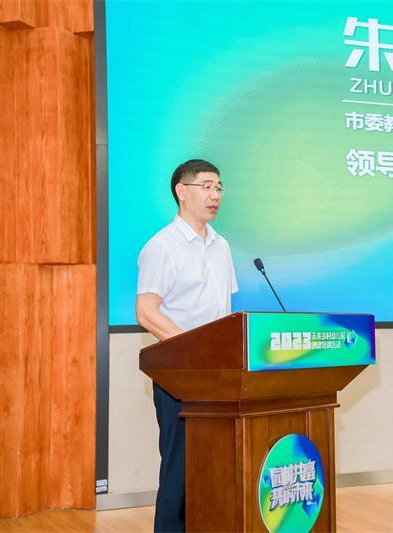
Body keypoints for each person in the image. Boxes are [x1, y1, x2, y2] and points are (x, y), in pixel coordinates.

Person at [136, 159, 238, 532]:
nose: (215, 195)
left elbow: (222, 311)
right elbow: (146, 312)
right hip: (179, 374)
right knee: (180, 469)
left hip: (220, 375)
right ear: (182, 191)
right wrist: (194, 350)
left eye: (219, 187)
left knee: (216, 465)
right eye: (206, 186)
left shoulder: (222, 246)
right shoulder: (162, 246)